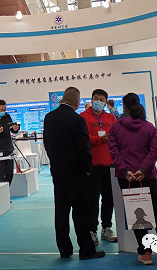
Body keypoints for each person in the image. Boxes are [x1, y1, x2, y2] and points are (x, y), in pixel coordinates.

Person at [108, 93, 157, 265]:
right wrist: (143, 170)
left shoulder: (115, 127)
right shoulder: (149, 127)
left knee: (135, 213)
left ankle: (146, 253)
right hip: (148, 176)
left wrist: (126, 171)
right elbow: (155, 151)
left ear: (124, 106)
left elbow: (114, 151)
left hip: (127, 178)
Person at [43, 87, 105, 261]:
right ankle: (86, 250)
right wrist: (88, 169)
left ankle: (64, 250)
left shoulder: (49, 117)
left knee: (61, 212)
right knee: (81, 213)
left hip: (58, 171)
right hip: (77, 173)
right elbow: (83, 147)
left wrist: (55, 163)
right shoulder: (77, 120)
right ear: (77, 102)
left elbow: (47, 143)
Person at [80, 89, 117, 244]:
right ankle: (92, 230)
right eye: (96, 98)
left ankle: (106, 228)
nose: (98, 102)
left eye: (102, 100)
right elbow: (82, 138)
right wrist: (99, 140)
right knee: (92, 200)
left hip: (109, 164)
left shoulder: (111, 118)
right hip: (92, 165)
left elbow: (117, 137)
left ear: (106, 102)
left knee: (109, 199)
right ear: (91, 99)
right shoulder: (83, 117)